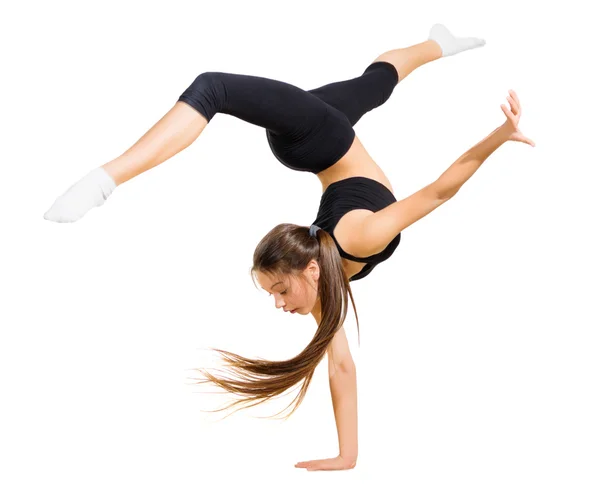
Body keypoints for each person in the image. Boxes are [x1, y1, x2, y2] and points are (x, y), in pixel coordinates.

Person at [43, 24, 534, 470]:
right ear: (313, 271)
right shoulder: (355, 242)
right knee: (229, 85)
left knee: (361, 86)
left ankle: (436, 45)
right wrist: (348, 456)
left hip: (316, 140)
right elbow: (438, 192)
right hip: (321, 136)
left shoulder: (337, 257)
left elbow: (435, 194)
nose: (279, 304)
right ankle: (106, 178)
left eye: (277, 292)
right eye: (279, 293)